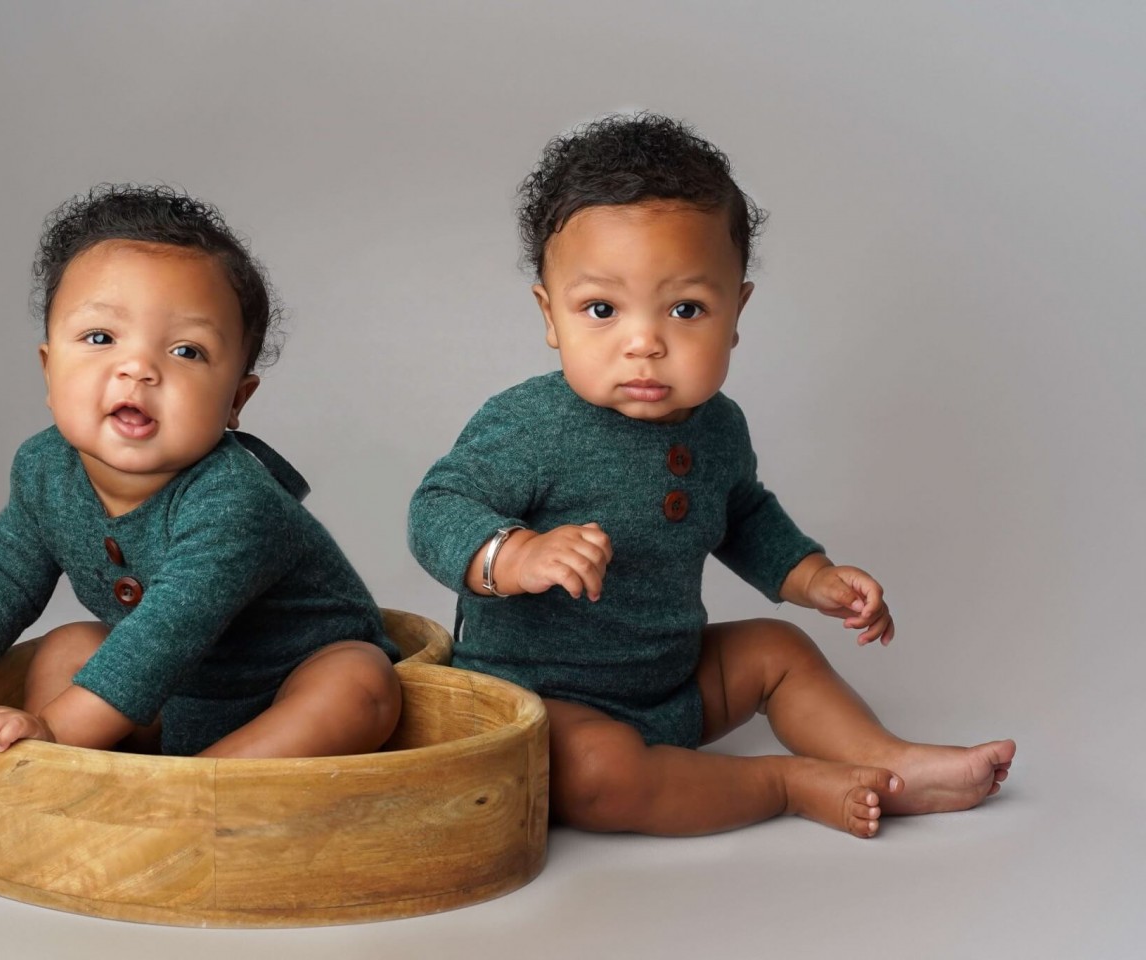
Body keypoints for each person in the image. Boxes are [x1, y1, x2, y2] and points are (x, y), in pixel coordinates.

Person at [408, 114, 1014, 837]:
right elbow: (435, 507)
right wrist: (516, 555)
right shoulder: (531, 423)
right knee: (598, 774)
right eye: (601, 309)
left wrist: (813, 577)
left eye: (686, 309)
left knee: (776, 651)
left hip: (676, 680)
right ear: (550, 314)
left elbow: (745, 515)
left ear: (736, 313)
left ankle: (887, 762)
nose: (645, 344)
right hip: (540, 700)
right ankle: (785, 783)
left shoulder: (718, 424)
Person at [0, 184, 401, 768]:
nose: (138, 368)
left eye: (186, 352)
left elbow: (164, 636)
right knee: (69, 644)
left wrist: (50, 726)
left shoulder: (235, 503)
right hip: (164, 696)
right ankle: (68, 782)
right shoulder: (44, 467)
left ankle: (197, 793)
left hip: (282, 692)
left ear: (236, 400)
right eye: (100, 338)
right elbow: (5, 564)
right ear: (50, 372)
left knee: (360, 683)